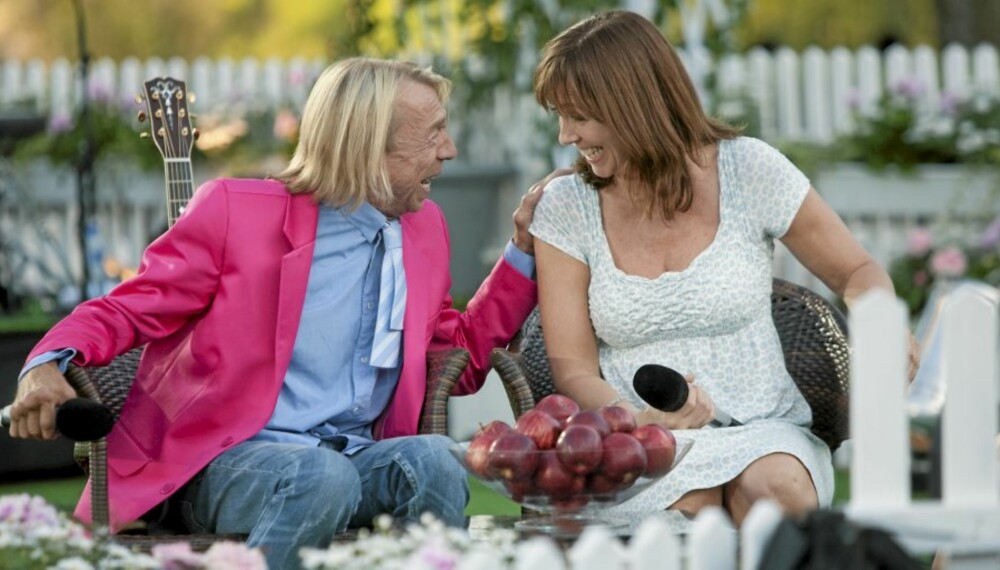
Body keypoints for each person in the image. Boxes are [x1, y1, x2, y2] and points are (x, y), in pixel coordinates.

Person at [8, 57, 553, 569]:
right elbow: (125, 310)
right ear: (367, 146)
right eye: (433, 132)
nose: (450, 149)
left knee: (435, 459)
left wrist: (521, 253)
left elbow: (453, 356)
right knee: (321, 476)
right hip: (228, 464)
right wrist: (45, 364)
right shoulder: (236, 214)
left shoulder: (423, 227)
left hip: (355, 457)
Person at [529, 10, 921, 526]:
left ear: (631, 106)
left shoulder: (749, 169)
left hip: (766, 429)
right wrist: (638, 420)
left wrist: (883, 323)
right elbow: (574, 369)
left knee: (773, 489)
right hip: (640, 439)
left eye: (578, 116)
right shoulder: (565, 207)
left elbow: (857, 270)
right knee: (689, 510)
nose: (565, 136)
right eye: (559, 116)